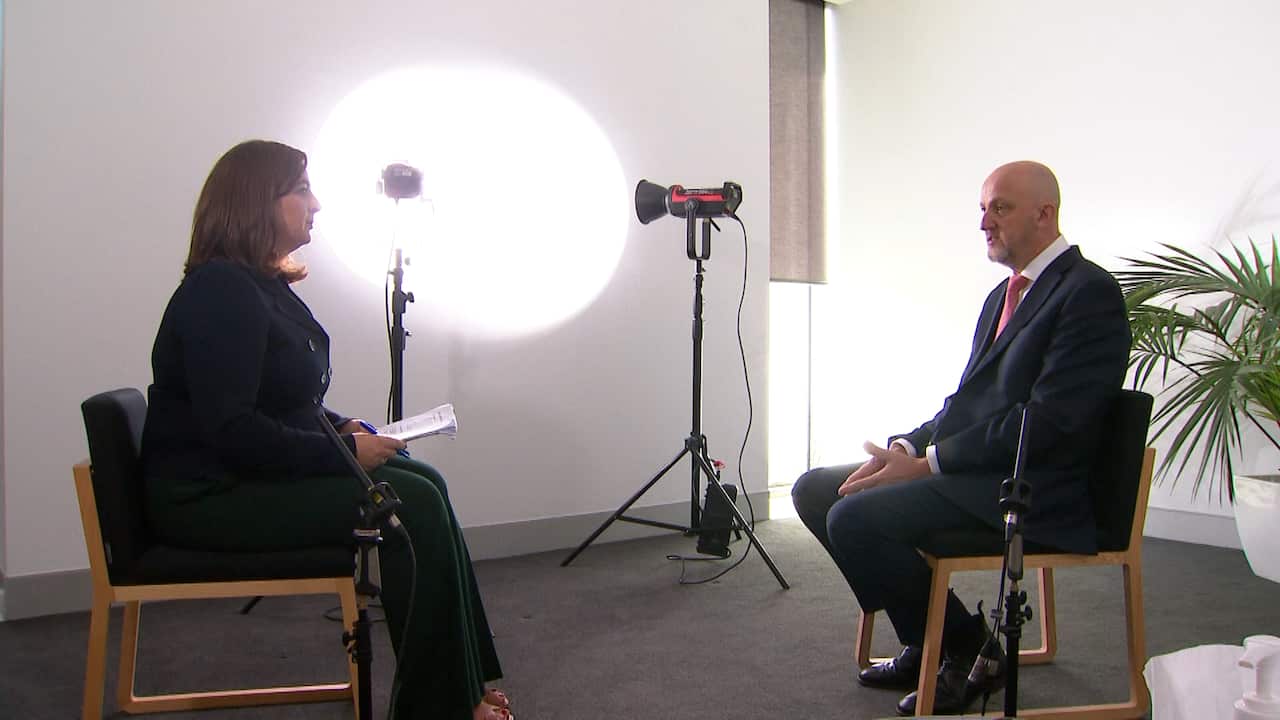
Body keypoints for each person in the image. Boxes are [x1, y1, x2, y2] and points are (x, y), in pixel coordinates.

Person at [140, 140, 512, 720]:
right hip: (208, 496)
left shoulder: (259, 286)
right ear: (259, 200)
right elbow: (233, 430)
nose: (317, 203)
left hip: (240, 476)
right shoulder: (221, 292)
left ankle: (463, 683)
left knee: (423, 481)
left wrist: (342, 426)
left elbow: (281, 398)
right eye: (303, 189)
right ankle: (442, 707)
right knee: (408, 504)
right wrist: (341, 449)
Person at [791, 161, 1131, 716]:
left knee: (856, 518)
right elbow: (968, 405)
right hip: (981, 472)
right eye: (982, 209)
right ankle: (944, 642)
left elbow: (1049, 423)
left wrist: (929, 465)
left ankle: (956, 648)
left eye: (999, 208)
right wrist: (906, 448)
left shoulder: (1089, 293)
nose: (983, 224)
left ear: (1045, 214)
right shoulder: (1004, 296)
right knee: (815, 490)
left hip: (1039, 488)